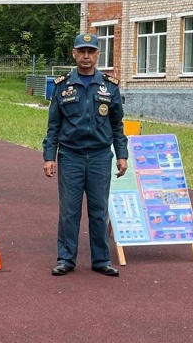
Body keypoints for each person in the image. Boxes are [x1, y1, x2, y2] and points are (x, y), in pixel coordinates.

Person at [42, 33, 128, 277]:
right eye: (82, 51)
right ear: (74, 53)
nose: (86, 56)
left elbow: (117, 125)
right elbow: (53, 126)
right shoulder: (63, 86)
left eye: (91, 52)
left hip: (101, 156)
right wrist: (49, 156)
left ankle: (101, 259)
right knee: (69, 210)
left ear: (98, 54)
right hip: (71, 156)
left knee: (99, 210)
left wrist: (122, 155)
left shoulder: (109, 86)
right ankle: (66, 258)